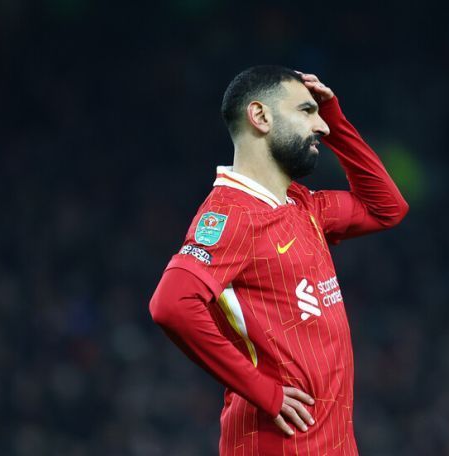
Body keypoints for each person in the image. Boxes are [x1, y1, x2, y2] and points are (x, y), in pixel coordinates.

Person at [149, 65, 408, 455]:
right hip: (278, 444)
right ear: (260, 116)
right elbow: (172, 304)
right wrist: (264, 392)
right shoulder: (231, 213)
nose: (321, 127)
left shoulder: (301, 204)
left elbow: (387, 208)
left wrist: (336, 119)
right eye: (307, 111)